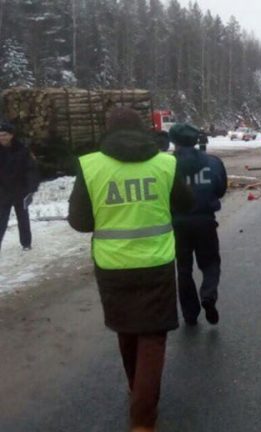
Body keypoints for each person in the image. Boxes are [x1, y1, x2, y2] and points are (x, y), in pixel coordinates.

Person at [68, 108, 194, 432]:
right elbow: (186, 204)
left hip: (113, 266)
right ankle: (142, 419)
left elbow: (81, 222)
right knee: (152, 336)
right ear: (143, 131)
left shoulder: (91, 165)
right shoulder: (165, 163)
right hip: (156, 263)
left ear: (107, 131)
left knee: (126, 329)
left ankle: (135, 388)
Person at [168, 123, 228, 326]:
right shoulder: (213, 162)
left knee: (183, 269)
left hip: (177, 224)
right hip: (205, 222)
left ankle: (190, 313)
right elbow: (220, 189)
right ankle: (208, 295)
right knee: (211, 263)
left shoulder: (166, 166)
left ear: (174, 141)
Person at [0, 121, 39, 252]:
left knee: (23, 219)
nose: (2, 137)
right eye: (0, 135)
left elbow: (31, 169)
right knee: (1, 221)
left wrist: (32, 188)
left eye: (4, 134)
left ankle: (26, 243)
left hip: (20, 191)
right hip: (3, 192)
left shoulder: (22, 150)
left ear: (11, 135)